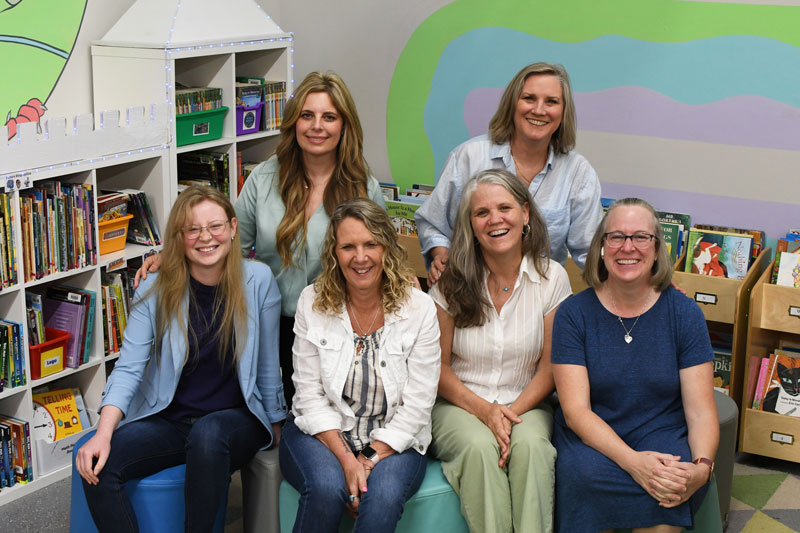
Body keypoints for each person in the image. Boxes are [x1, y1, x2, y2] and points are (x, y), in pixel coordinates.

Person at [135, 71, 386, 407]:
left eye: (329, 117)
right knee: (277, 410)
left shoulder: (363, 185)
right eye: (306, 116)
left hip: (338, 325)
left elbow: (382, 253)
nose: (316, 127)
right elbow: (230, 239)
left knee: (330, 417)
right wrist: (176, 253)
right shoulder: (265, 177)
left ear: (344, 125)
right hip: (271, 322)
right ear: (294, 122)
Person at [75, 186, 286, 532]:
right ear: (180, 237)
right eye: (193, 229)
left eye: (215, 226)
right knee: (102, 464)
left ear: (233, 228)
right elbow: (128, 367)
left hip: (235, 421)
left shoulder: (258, 281)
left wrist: (275, 424)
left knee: (208, 433)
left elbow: (266, 364)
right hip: (170, 420)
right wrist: (103, 433)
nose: (206, 238)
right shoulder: (155, 287)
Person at [551, 197, 719, 532]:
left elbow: (701, 411)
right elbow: (577, 412)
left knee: (668, 485)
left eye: (641, 237)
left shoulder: (684, 314)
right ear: (601, 247)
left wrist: (702, 467)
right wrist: (634, 464)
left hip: (660, 432)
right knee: (583, 480)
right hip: (593, 438)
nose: (628, 247)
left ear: (657, 249)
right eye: (616, 237)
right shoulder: (573, 314)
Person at [279, 198, 440, 532]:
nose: (360, 257)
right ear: (334, 254)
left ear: (386, 248)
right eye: (348, 246)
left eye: (371, 244)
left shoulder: (420, 308)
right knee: (326, 488)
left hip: (395, 438)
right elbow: (308, 395)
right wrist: (346, 459)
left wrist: (367, 458)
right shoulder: (313, 300)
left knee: (380, 497)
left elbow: (418, 405)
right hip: (320, 432)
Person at [429, 169, 572, 532]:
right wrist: (485, 411)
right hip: (458, 404)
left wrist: (507, 414)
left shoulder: (552, 277)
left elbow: (550, 369)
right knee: (479, 449)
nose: (495, 220)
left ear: (525, 213)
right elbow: (438, 368)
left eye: (505, 208)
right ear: (471, 224)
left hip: (527, 404)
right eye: (482, 212)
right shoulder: (451, 280)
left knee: (533, 450)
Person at [416, 62, 603, 283]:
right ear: (512, 104)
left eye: (551, 102)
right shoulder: (469, 157)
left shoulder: (578, 172)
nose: (539, 110)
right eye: (529, 98)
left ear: (563, 113)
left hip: (542, 300)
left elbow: (589, 250)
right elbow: (433, 222)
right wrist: (441, 255)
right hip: (469, 293)